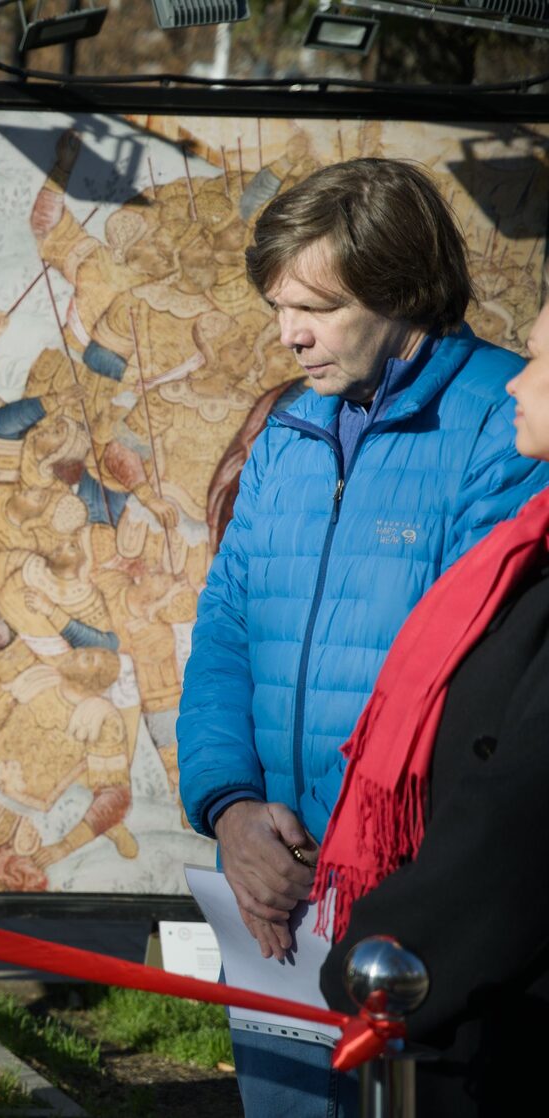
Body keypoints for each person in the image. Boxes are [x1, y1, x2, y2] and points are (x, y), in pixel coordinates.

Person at [176, 157, 549, 1117]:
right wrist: (230, 810)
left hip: (415, 897)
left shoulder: (509, 424)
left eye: (318, 307)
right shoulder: (289, 431)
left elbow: (471, 679)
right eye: (278, 308)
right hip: (266, 881)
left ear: (404, 291)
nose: (289, 335)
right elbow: (224, 630)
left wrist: (351, 862)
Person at [310, 297, 549, 1115]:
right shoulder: (528, 542)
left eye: (539, 360)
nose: (517, 381)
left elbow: (522, 808)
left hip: (499, 1013)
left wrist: (398, 944)